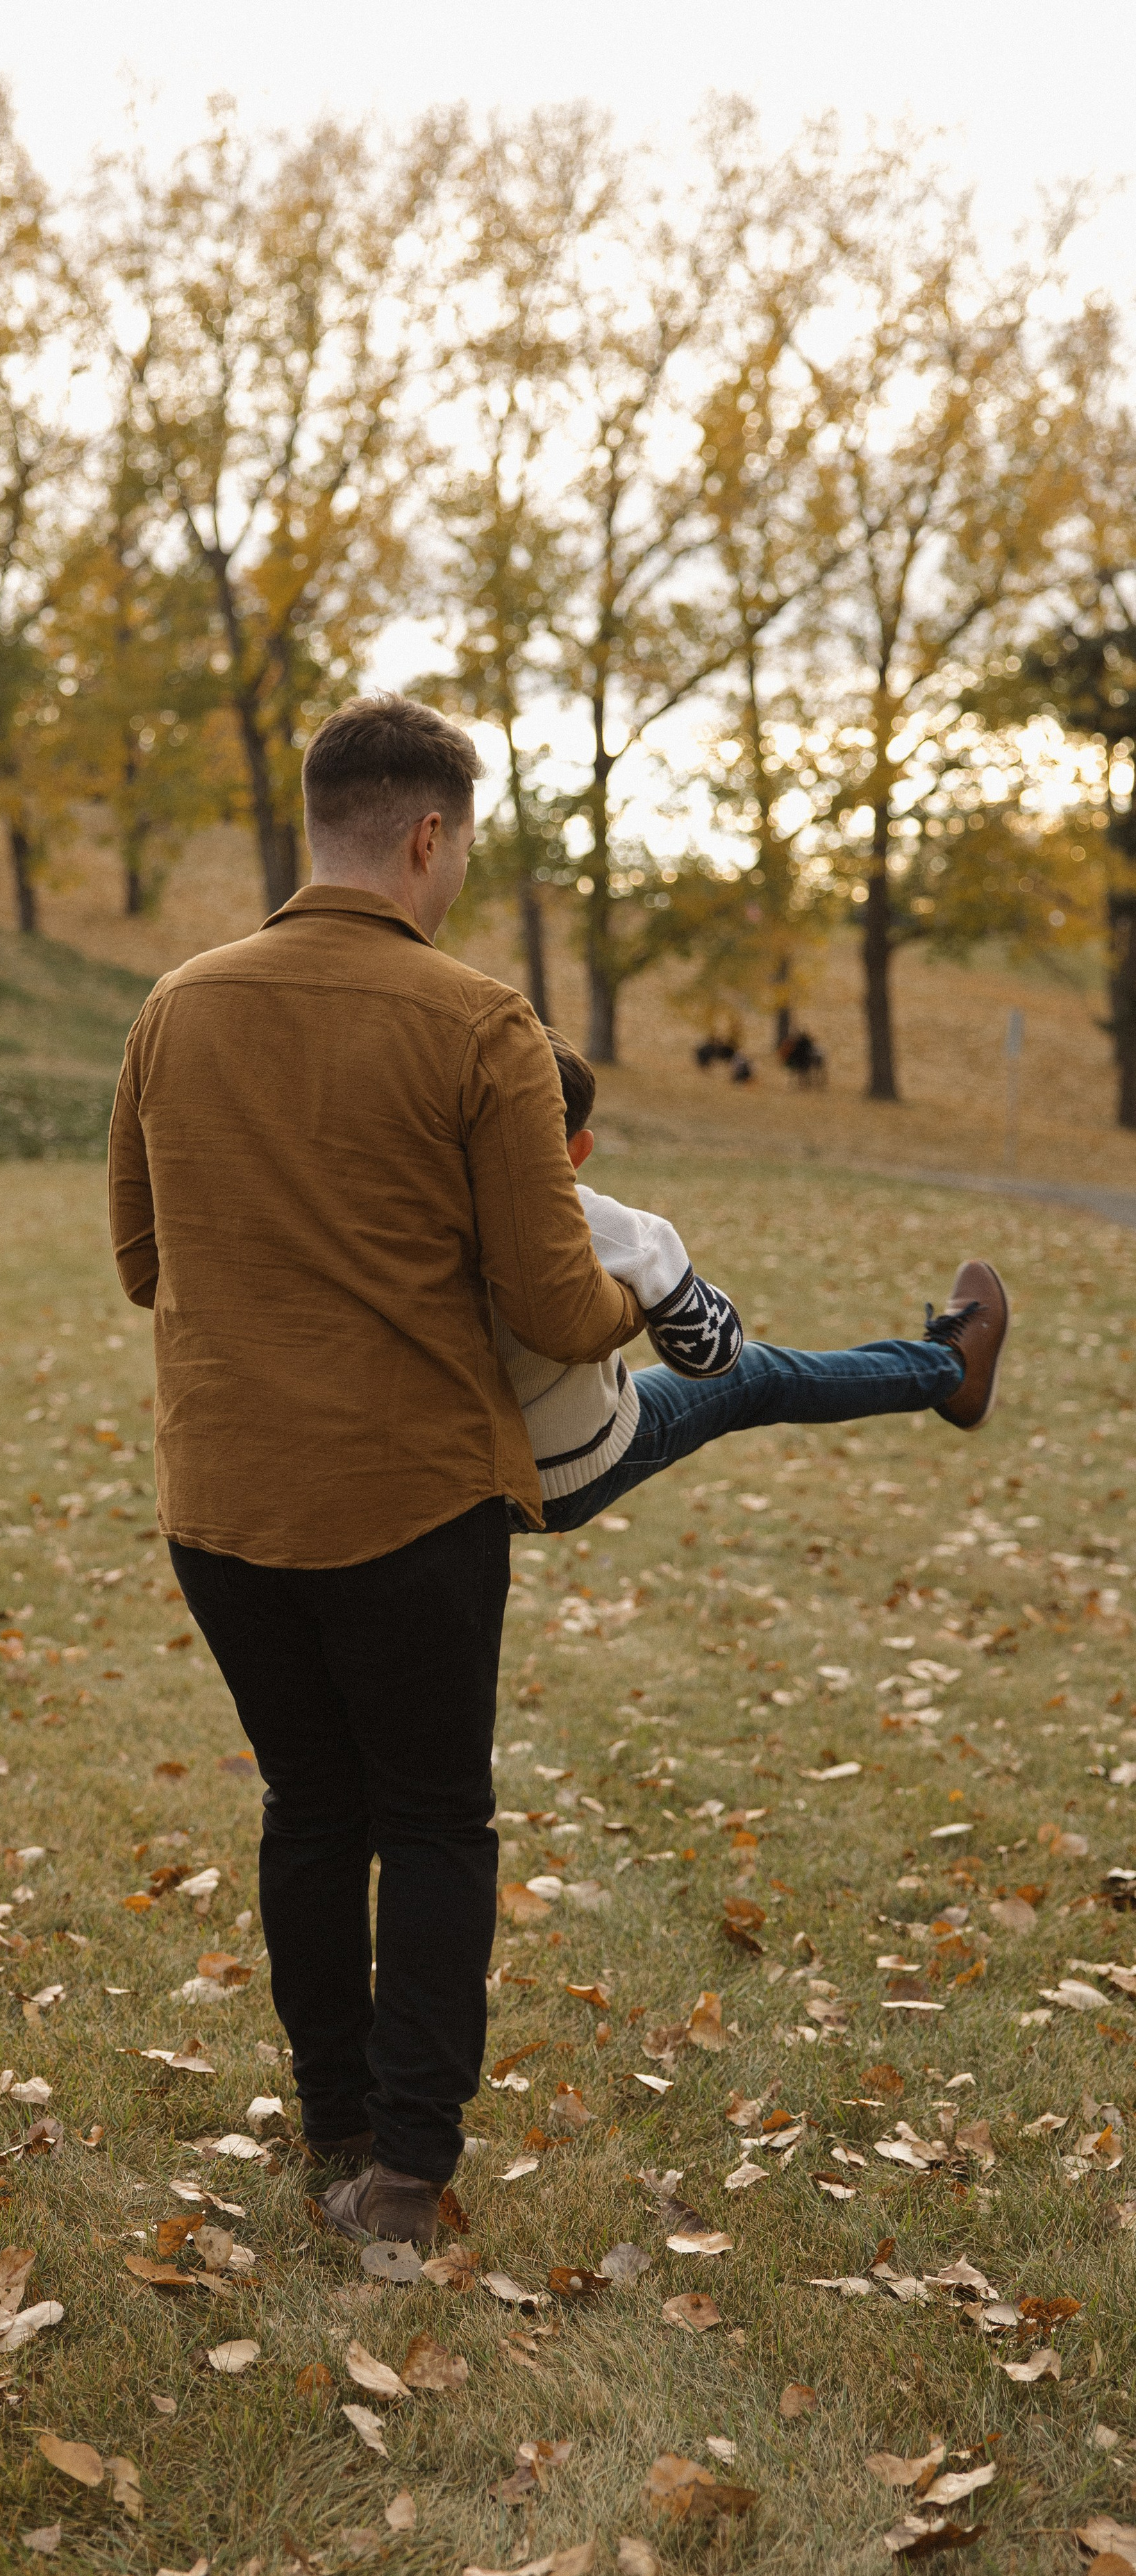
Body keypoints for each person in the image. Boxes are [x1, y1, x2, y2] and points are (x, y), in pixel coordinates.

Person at [108, 694, 646, 2250]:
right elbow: (557, 1305)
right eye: (461, 845)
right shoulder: (480, 1024)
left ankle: (335, 2120)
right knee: (430, 1820)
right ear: (426, 835)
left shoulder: (173, 1008)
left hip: (223, 1503)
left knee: (307, 1807)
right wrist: (650, 1299)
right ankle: (406, 2177)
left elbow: (142, 1264)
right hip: (409, 1501)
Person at [504, 1033, 1009, 1537]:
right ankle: (950, 1371)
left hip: (462, 1478)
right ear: (578, 1151)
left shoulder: (450, 1209)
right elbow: (713, 1355)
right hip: (563, 1475)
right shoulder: (595, 1224)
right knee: (757, 1373)